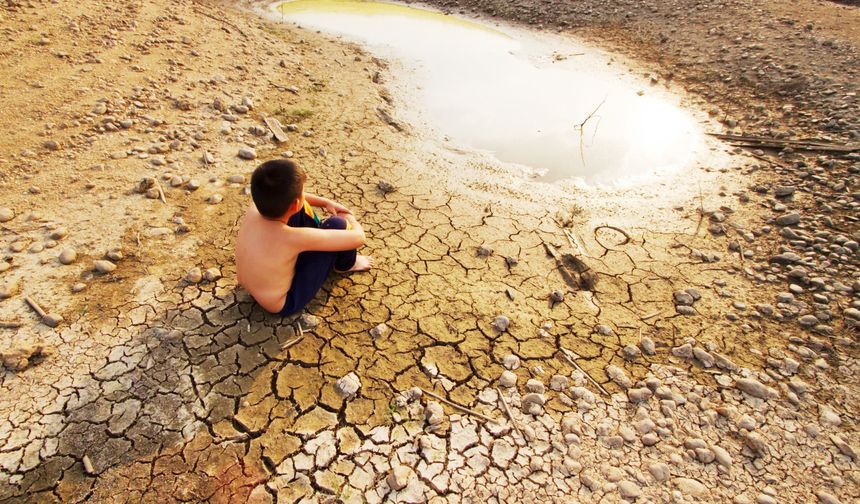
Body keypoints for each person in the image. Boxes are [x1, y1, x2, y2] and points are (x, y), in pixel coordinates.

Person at [236, 159, 372, 316]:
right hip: (284, 302)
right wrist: (350, 217)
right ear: (295, 203)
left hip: (252, 286)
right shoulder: (293, 238)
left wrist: (325, 202)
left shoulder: (255, 207)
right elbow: (358, 238)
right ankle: (346, 264)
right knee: (337, 224)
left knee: (295, 207)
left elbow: (296, 199)